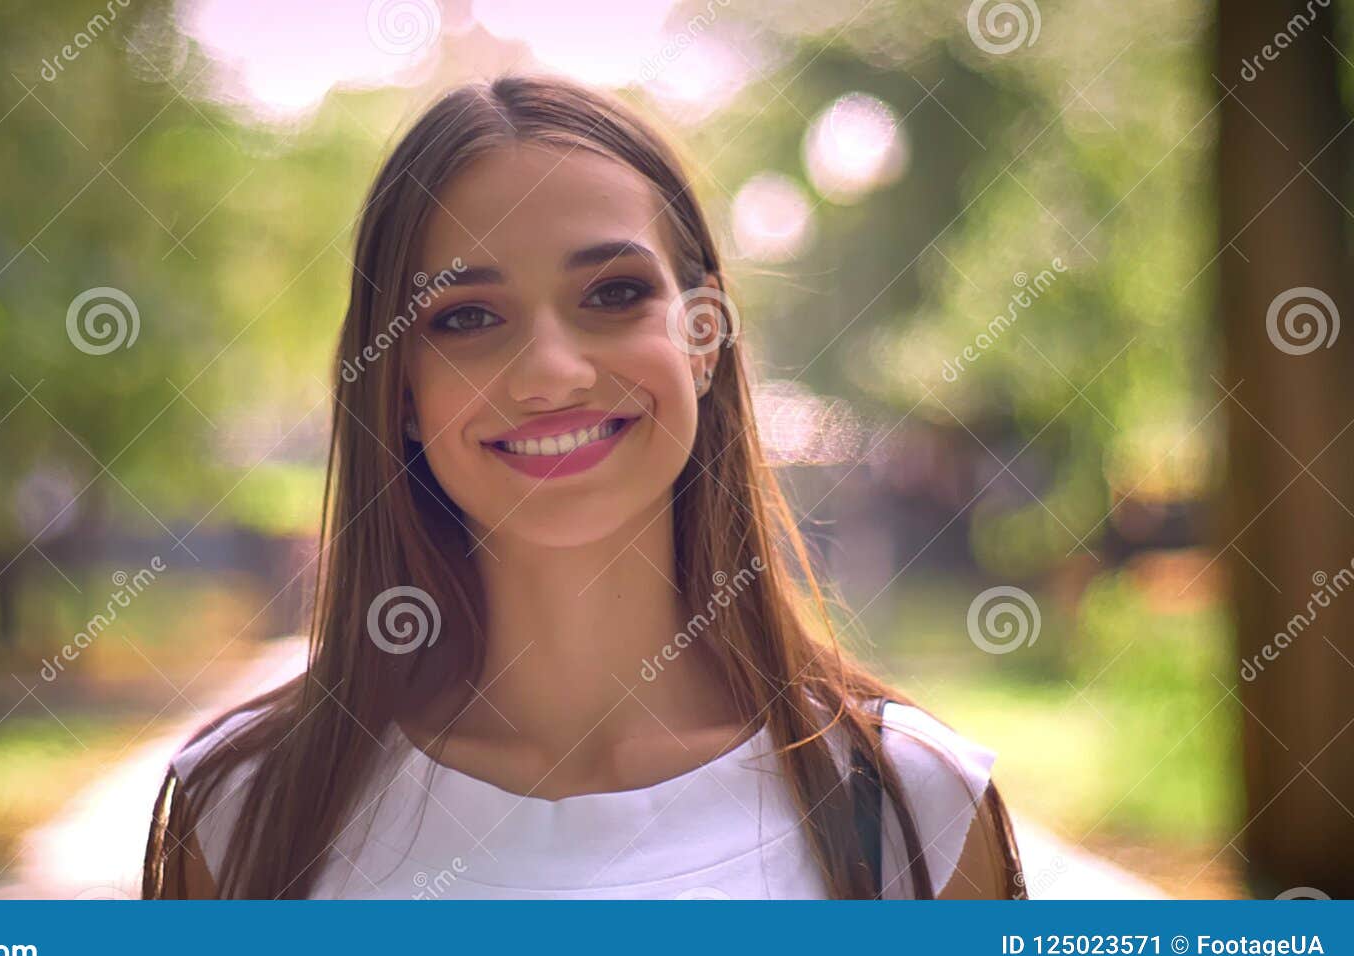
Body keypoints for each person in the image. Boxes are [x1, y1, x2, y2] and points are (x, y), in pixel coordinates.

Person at [143, 74, 1025, 900]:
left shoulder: (913, 808)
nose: (550, 373)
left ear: (704, 336)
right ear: (399, 390)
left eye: (612, 294)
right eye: (468, 317)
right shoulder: (245, 811)